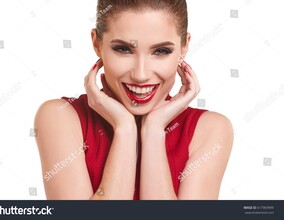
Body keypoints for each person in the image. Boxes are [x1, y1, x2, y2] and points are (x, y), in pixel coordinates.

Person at [34, 0, 233, 200]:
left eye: (161, 51)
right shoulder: (60, 117)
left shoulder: (210, 129)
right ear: (96, 43)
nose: (140, 74)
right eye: (123, 49)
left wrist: (154, 130)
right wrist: (125, 129)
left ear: (184, 47)